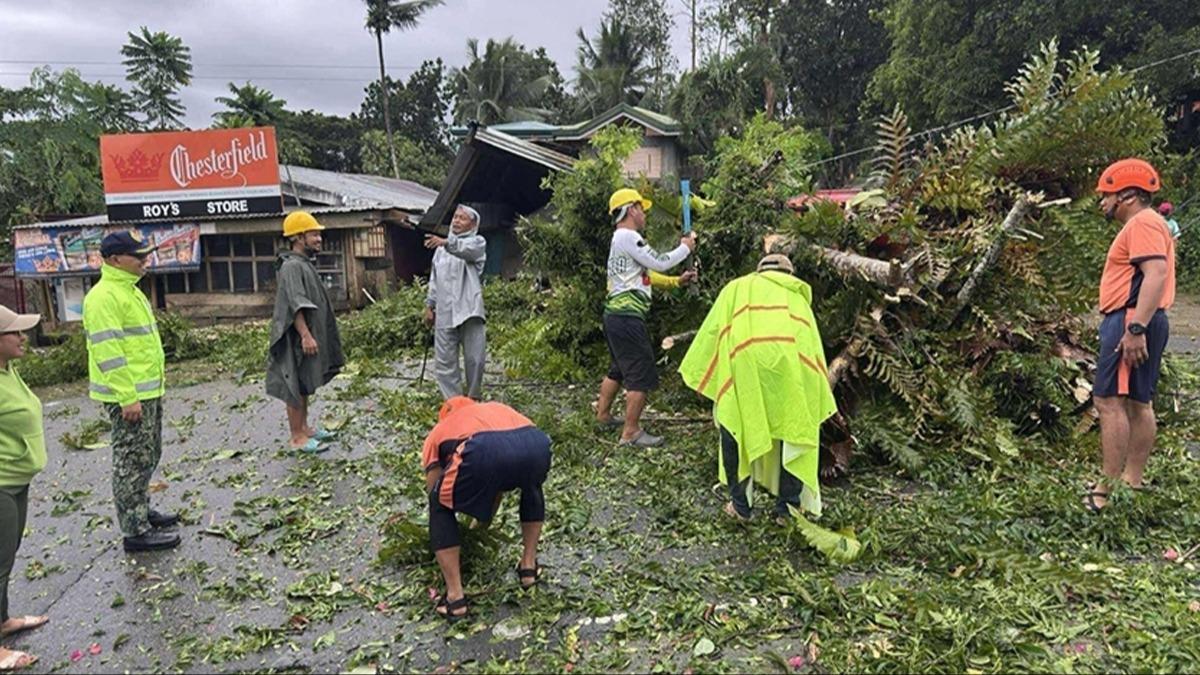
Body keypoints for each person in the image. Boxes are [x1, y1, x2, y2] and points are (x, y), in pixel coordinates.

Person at [679, 255, 838, 522]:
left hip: (744, 361)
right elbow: (812, 347)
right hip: (791, 366)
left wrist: (708, 377)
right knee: (795, 428)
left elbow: (712, 332)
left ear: (760, 271)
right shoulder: (797, 298)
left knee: (734, 424)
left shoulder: (737, 288)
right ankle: (786, 509)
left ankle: (741, 507)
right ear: (790, 273)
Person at [1086, 158, 1175, 511]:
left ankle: (1105, 492)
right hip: (1142, 317)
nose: (1102, 202)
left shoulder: (1142, 224)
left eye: (1106, 195)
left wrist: (1135, 328)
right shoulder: (1151, 224)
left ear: (1127, 194)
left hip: (1130, 318)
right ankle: (1131, 484)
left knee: (1109, 402)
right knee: (1139, 403)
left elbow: (1154, 274)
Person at [82, 231, 179, 553]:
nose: (144, 260)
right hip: (129, 396)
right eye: (138, 256)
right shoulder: (104, 297)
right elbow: (108, 353)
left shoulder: (129, 291)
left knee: (148, 454)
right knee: (130, 461)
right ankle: (135, 530)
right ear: (114, 260)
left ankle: (141, 509)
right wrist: (127, 397)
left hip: (146, 391)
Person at [421, 396, 552, 621]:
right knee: (532, 486)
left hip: (481, 449)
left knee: (438, 504)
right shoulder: (496, 408)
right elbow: (496, 483)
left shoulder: (439, 431)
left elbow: (434, 487)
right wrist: (477, 530)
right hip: (537, 444)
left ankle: (455, 598)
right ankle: (528, 568)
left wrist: (450, 531)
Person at [595, 188, 697, 447]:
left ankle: (603, 416)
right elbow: (660, 262)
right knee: (640, 372)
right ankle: (631, 432)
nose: (644, 215)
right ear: (631, 209)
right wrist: (685, 248)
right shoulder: (629, 236)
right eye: (642, 209)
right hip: (627, 317)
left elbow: (646, 276)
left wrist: (677, 281)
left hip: (615, 316)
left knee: (618, 368)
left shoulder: (619, 240)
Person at [266, 211, 345, 453]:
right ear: (299, 238)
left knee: (305, 380)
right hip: (296, 337)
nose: (319, 238)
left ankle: (305, 427)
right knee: (295, 383)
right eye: (314, 234)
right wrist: (305, 335)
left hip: (306, 335)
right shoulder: (291, 266)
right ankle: (297, 437)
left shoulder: (303, 264)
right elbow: (295, 302)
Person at [0, 306, 49, 671]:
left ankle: (2, 621)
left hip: (17, 479)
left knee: (7, 554)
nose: (22, 337)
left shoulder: (9, 371)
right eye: (13, 332)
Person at [423, 205, 487, 400]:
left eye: (462, 218)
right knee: (444, 360)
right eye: (455, 217)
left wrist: (445, 242)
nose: (456, 221)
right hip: (445, 309)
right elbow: (434, 278)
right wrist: (429, 304)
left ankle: (473, 396)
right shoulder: (441, 251)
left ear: (473, 224)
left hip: (469, 308)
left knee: (474, 358)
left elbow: (463, 249)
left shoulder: (477, 242)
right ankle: (454, 402)